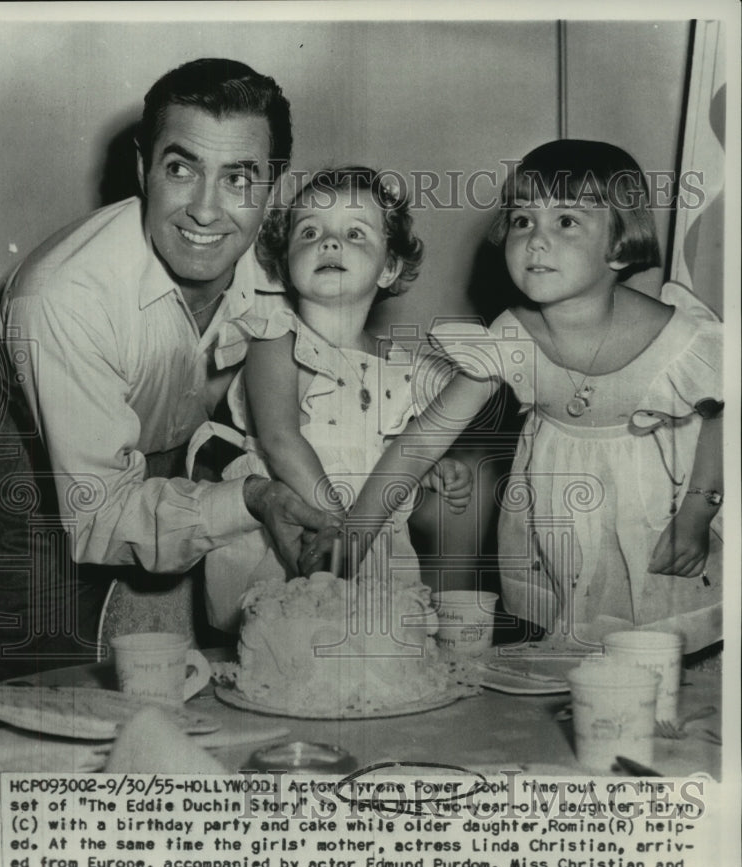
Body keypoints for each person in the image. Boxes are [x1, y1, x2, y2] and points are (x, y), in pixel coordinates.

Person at [0, 59, 339, 683]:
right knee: (45, 699)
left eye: (239, 178)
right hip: (33, 490)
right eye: (182, 169)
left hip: (173, 473)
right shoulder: (64, 296)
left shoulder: (294, 265)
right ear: (144, 169)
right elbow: (97, 518)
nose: (205, 211)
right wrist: (251, 499)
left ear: (273, 188)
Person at [307, 141, 723, 654]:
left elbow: (725, 411)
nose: (536, 241)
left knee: (665, 656)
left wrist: (700, 510)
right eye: (523, 220)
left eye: (567, 221)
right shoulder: (511, 337)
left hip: (661, 520)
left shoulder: (674, 336)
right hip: (557, 530)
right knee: (572, 661)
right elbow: (421, 442)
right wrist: (352, 538)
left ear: (618, 246)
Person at [189, 166, 472, 630]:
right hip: (295, 531)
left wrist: (432, 470)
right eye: (310, 231)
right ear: (284, 263)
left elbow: (397, 453)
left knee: (374, 655)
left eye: (355, 233)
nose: (330, 243)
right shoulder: (274, 340)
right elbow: (281, 440)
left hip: (369, 539)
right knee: (292, 650)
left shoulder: (399, 367)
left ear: (390, 268)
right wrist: (339, 526)